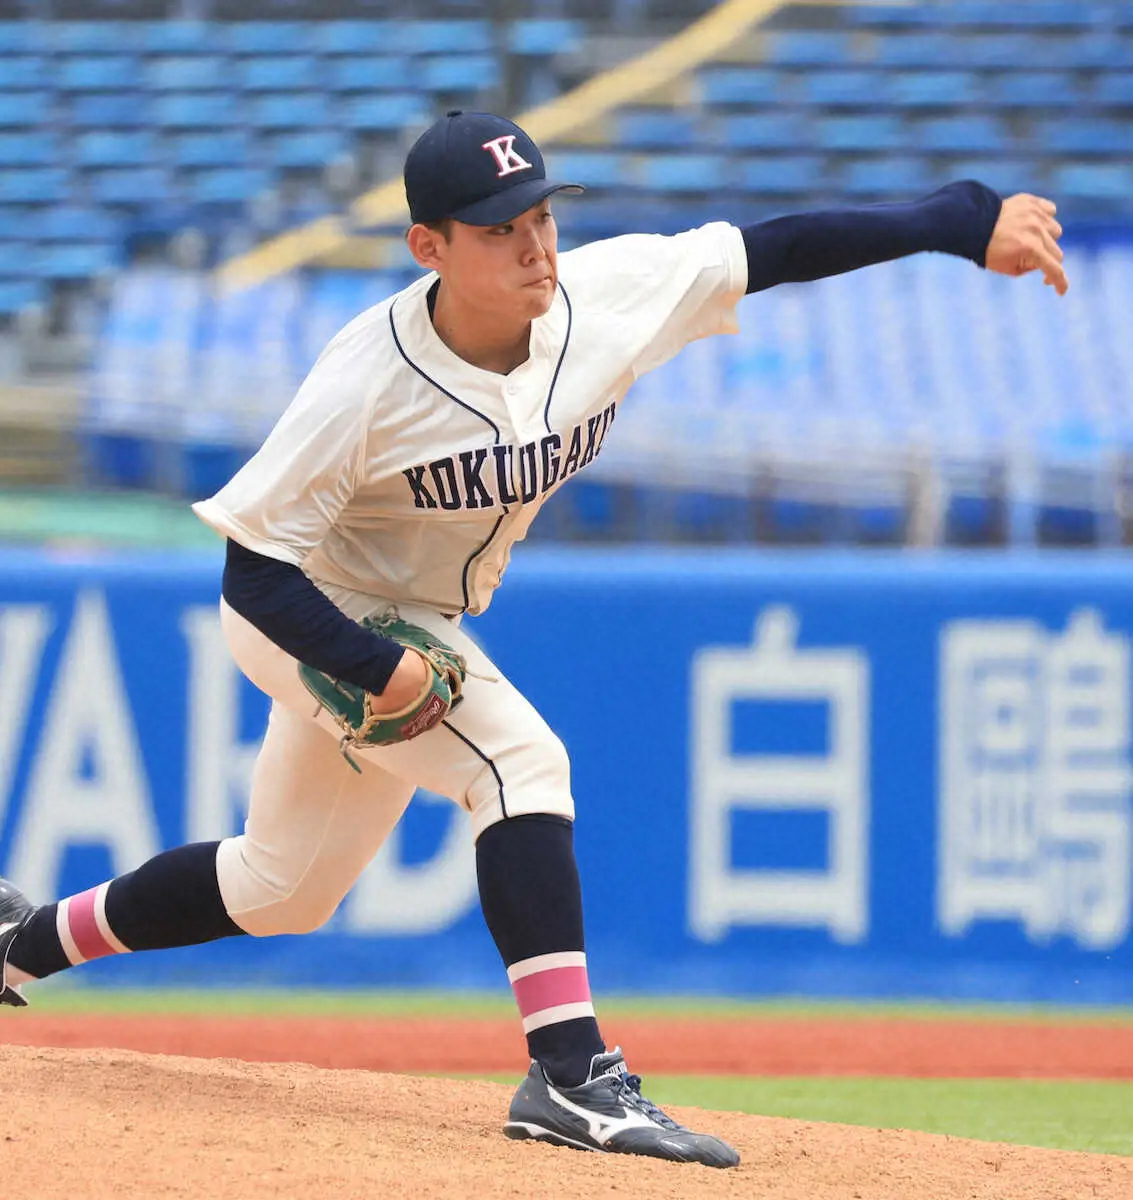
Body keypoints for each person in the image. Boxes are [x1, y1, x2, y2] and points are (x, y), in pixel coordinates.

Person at [0, 110, 1066, 1169]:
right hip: (311, 608)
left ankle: (21, 943)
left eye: (542, 216)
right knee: (518, 764)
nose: (534, 246)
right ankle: (568, 1073)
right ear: (428, 247)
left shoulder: (605, 298)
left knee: (281, 888)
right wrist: (376, 667)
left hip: (420, 618)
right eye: (498, 228)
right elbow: (254, 570)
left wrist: (962, 219)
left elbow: (774, 248)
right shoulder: (365, 376)